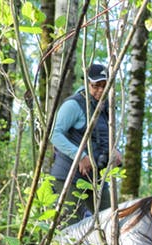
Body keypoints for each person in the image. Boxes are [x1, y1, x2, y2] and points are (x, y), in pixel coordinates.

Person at [49, 63, 122, 225]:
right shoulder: (74, 105)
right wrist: (80, 156)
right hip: (68, 176)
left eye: (105, 86)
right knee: (71, 226)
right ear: (87, 83)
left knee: (110, 221)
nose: (100, 90)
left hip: (95, 178)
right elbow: (54, 134)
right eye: (96, 86)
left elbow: (102, 137)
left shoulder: (106, 108)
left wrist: (114, 150)